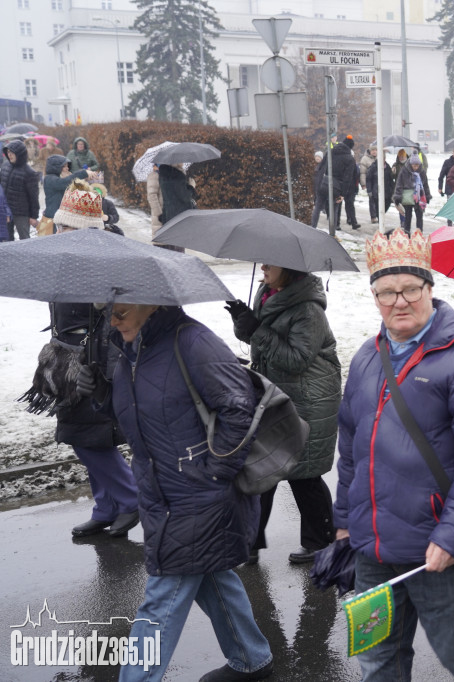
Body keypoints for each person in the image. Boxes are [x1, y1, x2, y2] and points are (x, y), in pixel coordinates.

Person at [334, 230, 454, 682]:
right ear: (375, 296)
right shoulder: (365, 358)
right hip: (373, 548)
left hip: (434, 549)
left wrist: (453, 537)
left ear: (429, 289)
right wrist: (344, 519)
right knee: (378, 659)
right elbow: (350, 449)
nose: (399, 301)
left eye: (410, 289)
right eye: (386, 292)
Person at [76, 303, 274, 682]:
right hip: (161, 491)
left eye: (120, 311)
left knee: (161, 599)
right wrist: (103, 391)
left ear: (150, 301)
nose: (113, 322)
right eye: (107, 313)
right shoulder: (134, 348)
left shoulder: (194, 341)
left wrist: (215, 475)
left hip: (198, 495)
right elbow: (142, 415)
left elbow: (239, 410)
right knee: (211, 574)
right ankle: (252, 658)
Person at [22, 188, 140, 538]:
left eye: (65, 228)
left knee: (89, 437)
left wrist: (103, 366)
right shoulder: (68, 260)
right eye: (58, 227)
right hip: (66, 362)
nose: (58, 234)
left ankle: (130, 499)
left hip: (94, 363)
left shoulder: (103, 265)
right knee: (84, 435)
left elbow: (116, 322)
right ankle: (106, 506)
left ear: (84, 230)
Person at [226, 266, 341, 566]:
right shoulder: (267, 294)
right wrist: (242, 321)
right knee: (261, 471)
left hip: (308, 398)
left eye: (269, 263)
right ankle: (249, 542)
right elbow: (255, 341)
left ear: (288, 269)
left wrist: (256, 330)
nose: (263, 267)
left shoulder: (309, 310)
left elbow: (296, 359)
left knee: (304, 476)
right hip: (275, 394)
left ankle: (321, 542)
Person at [41, 153, 92, 236]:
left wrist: (90, 176)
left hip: (63, 216)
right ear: (56, 167)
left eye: (67, 166)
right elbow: (63, 183)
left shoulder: (62, 177)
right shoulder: (50, 179)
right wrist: (83, 173)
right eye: (64, 166)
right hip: (53, 218)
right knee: (53, 243)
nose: (67, 168)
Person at [1, 140, 40, 240]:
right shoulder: (5, 166)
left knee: (24, 239)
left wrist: (33, 216)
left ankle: (26, 256)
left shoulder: (29, 172)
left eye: (12, 152)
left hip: (22, 213)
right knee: (7, 239)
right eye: (8, 152)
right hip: (6, 211)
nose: (10, 155)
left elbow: (33, 197)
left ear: (20, 154)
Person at [392, 154, 431, 233]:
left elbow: (425, 184)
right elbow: (399, 184)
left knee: (419, 216)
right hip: (407, 196)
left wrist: (427, 195)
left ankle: (419, 233)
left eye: (417, 165)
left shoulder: (422, 172)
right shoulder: (404, 171)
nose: (416, 167)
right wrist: (398, 196)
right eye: (414, 165)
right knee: (408, 216)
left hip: (419, 196)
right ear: (410, 164)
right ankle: (407, 233)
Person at [332, 135, 361, 230]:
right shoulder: (349, 159)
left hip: (339, 183)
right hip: (347, 185)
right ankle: (352, 222)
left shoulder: (334, 154)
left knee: (340, 205)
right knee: (347, 205)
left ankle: (339, 223)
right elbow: (350, 175)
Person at [365, 148, 394, 226]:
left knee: (386, 205)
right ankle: (378, 219)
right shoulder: (373, 167)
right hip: (376, 191)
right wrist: (369, 190)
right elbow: (368, 179)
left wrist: (392, 190)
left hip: (387, 191)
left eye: (383, 158)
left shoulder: (388, 167)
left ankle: (380, 216)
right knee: (377, 206)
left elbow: (391, 180)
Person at [310, 150, 327, 228]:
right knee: (314, 196)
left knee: (319, 197)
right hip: (314, 183)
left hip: (320, 183)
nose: (317, 158)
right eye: (316, 157)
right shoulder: (312, 165)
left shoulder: (323, 166)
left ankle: (322, 207)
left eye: (319, 157)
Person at [145, 164, 163, 236]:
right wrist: (159, 214)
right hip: (159, 216)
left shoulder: (167, 176)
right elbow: (152, 196)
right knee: (160, 242)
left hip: (168, 214)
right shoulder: (154, 176)